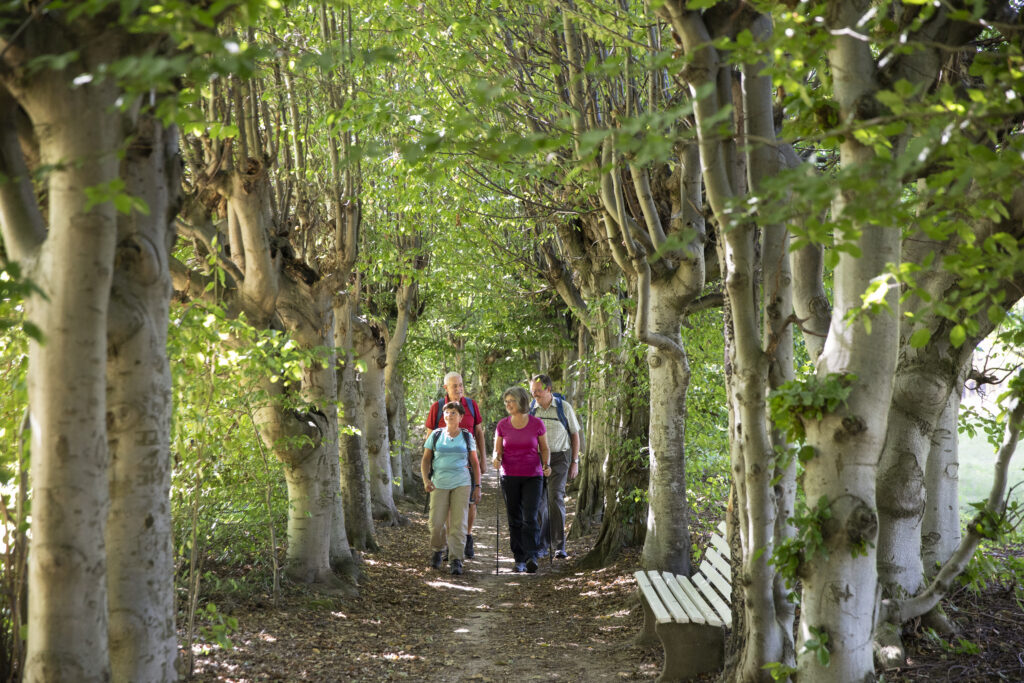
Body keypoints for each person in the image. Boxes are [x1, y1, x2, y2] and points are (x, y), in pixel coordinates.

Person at [424, 372, 487, 558]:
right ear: (446, 388)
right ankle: (452, 545)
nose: (459, 389)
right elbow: (429, 438)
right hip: (445, 463)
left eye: (461, 385)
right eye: (454, 386)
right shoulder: (437, 408)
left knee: (470, 504)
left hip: (469, 461)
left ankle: (466, 537)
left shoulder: (471, 405)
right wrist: (428, 472)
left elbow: (479, 432)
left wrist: (483, 459)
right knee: (450, 507)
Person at [493, 386, 551, 573]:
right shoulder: (502, 425)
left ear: (521, 401)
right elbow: (498, 449)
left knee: (530, 517)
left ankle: (531, 556)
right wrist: (496, 458)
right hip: (509, 476)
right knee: (514, 518)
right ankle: (518, 558)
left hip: (533, 476)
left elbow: (544, 448)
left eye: (512, 401)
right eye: (506, 401)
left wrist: (546, 464)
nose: (508, 404)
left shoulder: (536, 424)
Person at [422, 401, 482, 575]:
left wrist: (477, 486)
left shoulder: (466, 436)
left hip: (461, 483)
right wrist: (426, 480)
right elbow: (426, 460)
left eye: (454, 412)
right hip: (438, 483)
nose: (449, 415)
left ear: (461, 417)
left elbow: (475, 463)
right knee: (436, 523)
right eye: (447, 412)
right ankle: (437, 550)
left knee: (458, 523)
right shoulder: (435, 434)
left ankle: (456, 559)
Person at [530, 374, 581, 559]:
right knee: (539, 502)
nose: (535, 394)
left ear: (548, 389)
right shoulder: (531, 410)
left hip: (560, 458)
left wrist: (575, 462)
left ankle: (559, 545)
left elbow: (575, 435)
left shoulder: (563, 408)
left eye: (538, 391)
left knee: (555, 498)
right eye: (532, 391)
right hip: (536, 459)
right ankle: (542, 545)